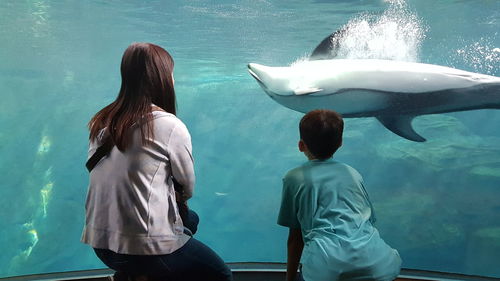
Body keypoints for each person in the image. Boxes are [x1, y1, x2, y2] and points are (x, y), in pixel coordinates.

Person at [81, 42, 232, 281]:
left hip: (101, 244)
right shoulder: (168, 125)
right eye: (171, 74)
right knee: (220, 274)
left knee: (191, 221)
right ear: (161, 78)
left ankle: (134, 275)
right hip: (142, 249)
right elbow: (187, 187)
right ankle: (141, 271)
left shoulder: (101, 122)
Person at [277, 109, 402, 281]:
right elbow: (369, 221)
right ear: (341, 142)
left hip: (327, 268)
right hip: (378, 264)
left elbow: (295, 238)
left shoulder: (293, 177)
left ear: (301, 145)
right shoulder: (353, 174)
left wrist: (289, 278)